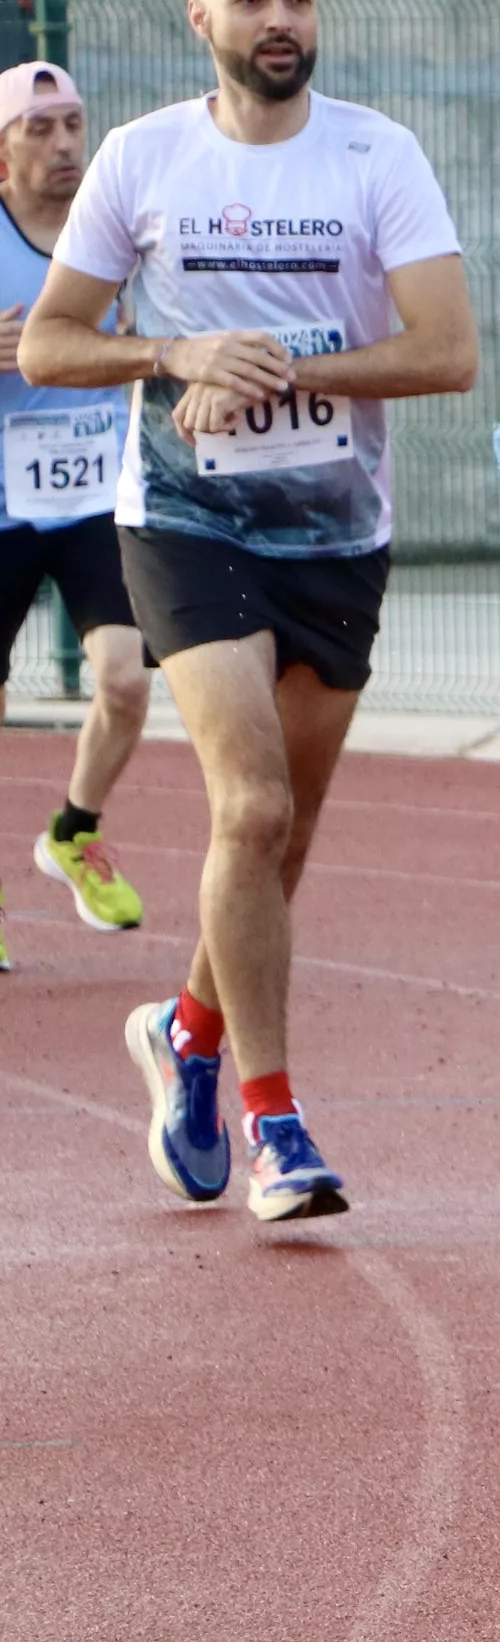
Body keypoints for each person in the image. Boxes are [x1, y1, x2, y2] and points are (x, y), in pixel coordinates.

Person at [22, 0, 477, 1221]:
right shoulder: (142, 157)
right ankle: (275, 1120)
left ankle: (190, 1033)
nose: (279, 17)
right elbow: (53, 346)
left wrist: (276, 366)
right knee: (254, 812)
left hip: (337, 529)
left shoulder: (375, 153)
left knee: (289, 832)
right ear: (200, 20)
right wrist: (173, 358)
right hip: (184, 519)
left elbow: (445, 352)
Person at [0, 61, 153, 967]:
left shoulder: (117, 229)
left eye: (72, 124)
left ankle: (74, 830)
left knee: (128, 680)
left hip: (97, 496)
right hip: (3, 504)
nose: (63, 144)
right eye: (39, 128)